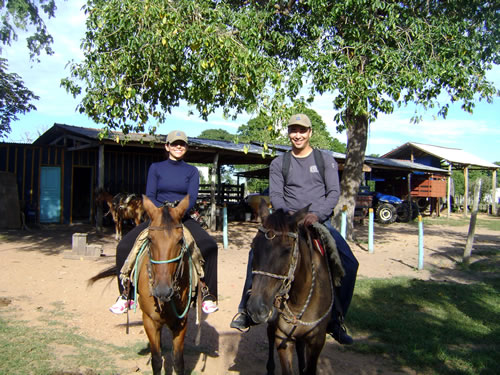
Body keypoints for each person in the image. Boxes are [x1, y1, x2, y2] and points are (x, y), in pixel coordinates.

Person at [230, 113, 358, 345]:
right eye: (293, 130)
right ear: (288, 133)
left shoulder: (325, 160)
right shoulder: (280, 163)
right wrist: (291, 216)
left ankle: (335, 319)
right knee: (257, 254)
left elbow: (333, 194)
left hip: (317, 221)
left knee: (349, 263)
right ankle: (245, 311)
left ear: (310, 133)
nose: (297, 135)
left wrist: (315, 214)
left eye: (302, 131)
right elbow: (276, 195)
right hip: (287, 222)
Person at [109, 130, 219, 315]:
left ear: (186, 147)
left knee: (210, 246)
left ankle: (208, 295)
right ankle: (125, 295)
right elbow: (150, 195)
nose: (178, 146)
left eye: (182, 144)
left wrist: (177, 211)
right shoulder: (156, 168)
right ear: (167, 146)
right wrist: (162, 211)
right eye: (174, 143)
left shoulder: (191, 171)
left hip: (181, 216)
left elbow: (191, 197)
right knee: (123, 246)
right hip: (158, 217)